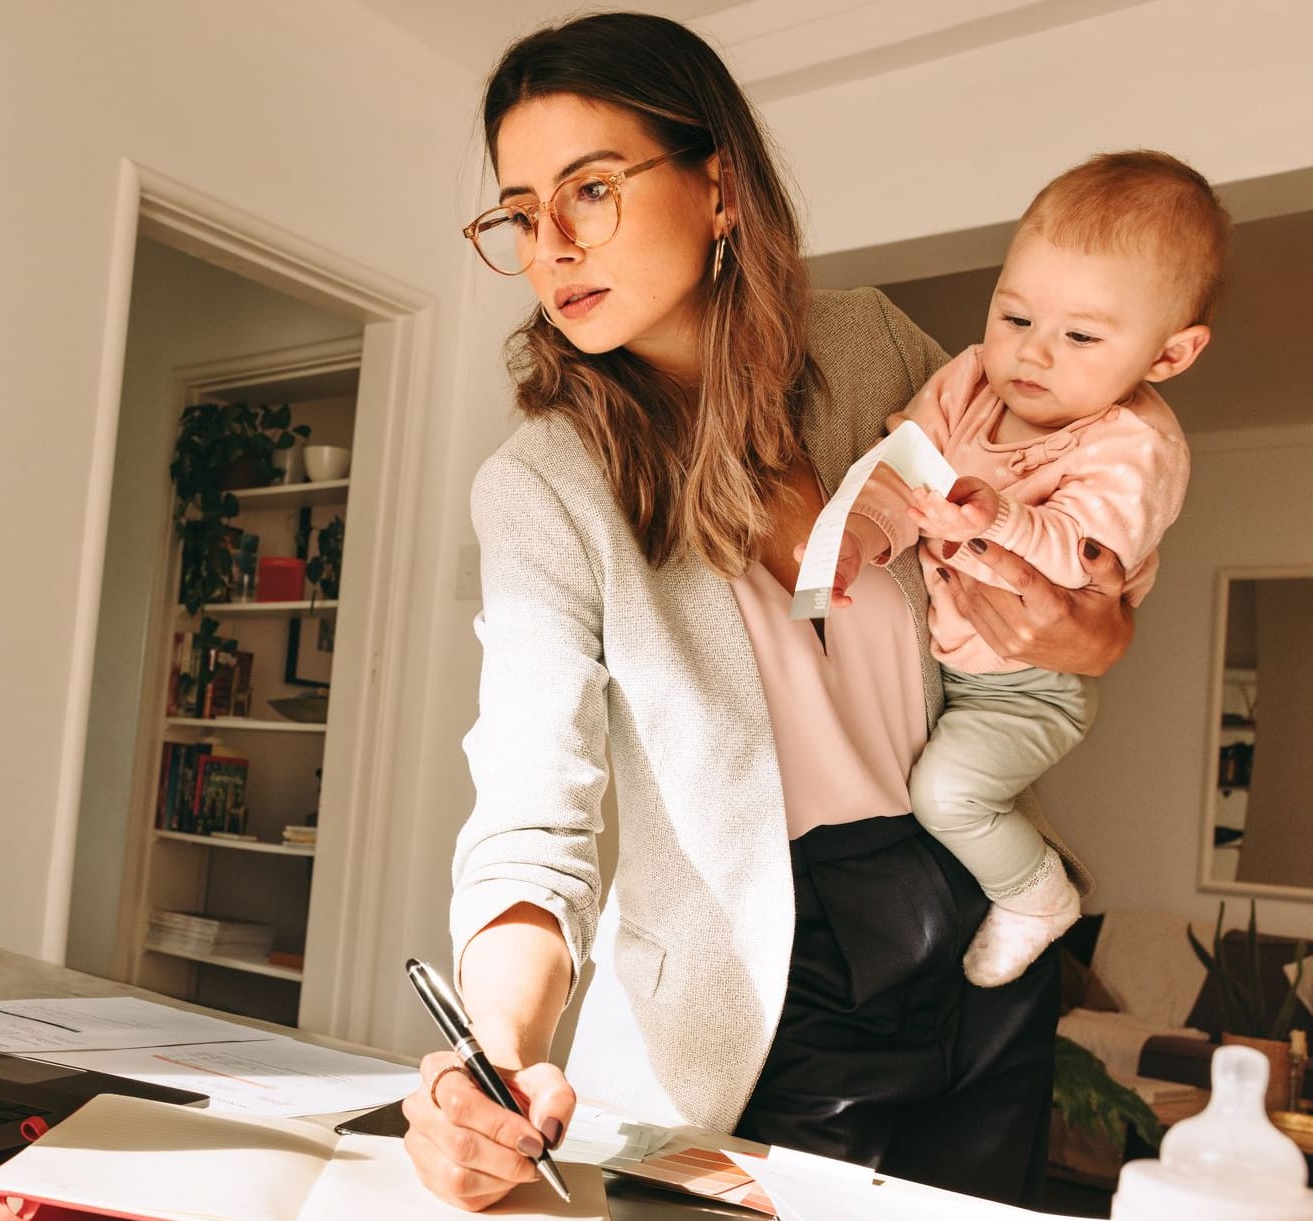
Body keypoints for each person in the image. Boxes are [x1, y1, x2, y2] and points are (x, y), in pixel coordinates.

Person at [401, 11, 1135, 1212]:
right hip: (768, 977)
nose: (552, 247)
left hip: (976, 903)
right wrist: (498, 1044)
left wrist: (1096, 630)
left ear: (720, 185)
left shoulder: (870, 347)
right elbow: (535, 810)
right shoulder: (543, 486)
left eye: (590, 189)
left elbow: (1046, 557)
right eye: (521, 213)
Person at [829, 152, 1226, 988]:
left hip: (1029, 686)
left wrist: (999, 518)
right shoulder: (969, 379)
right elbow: (901, 468)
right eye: (1014, 316)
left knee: (946, 795)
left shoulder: (1135, 446)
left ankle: (1038, 894)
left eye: (1079, 336)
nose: (1030, 355)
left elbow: (1084, 557)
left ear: (1169, 355)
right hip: (947, 661)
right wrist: (861, 531)